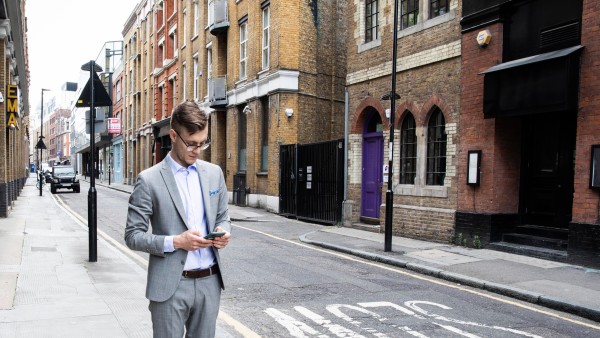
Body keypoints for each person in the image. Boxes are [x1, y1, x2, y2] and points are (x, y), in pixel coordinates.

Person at [125, 100, 231, 337]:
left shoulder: (214, 174)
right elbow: (132, 236)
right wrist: (176, 242)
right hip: (169, 286)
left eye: (203, 143)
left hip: (209, 282)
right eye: (191, 144)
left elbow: (223, 215)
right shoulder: (149, 180)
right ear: (173, 135)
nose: (197, 150)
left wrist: (223, 231)